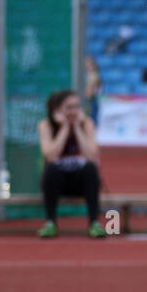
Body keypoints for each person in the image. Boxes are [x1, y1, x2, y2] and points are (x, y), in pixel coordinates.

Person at [37, 88, 105, 238]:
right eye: (69, 107)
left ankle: (94, 223)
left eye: (77, 107)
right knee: (51, 169)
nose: (74, 111)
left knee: (91, 168)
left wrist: (77, 129)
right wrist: (65, 128)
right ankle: (50, 223)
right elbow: (51, 156)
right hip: (57, 182)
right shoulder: (46, 125)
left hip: (80, 182)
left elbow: (91, 156)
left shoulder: (86, 124)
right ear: (57, 110)